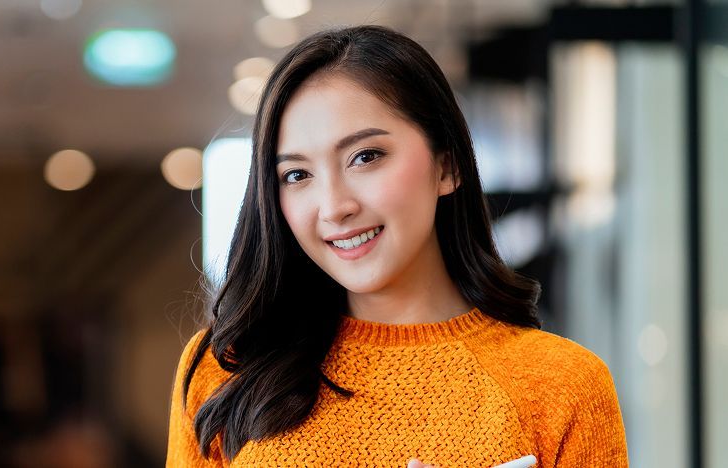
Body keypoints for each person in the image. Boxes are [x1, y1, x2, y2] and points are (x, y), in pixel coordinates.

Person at [166, 25, 628, 467]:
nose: (334, 207)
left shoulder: (562, 385)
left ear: (446, 167)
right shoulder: (226, 367)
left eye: (365, 157)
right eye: (297, 175)